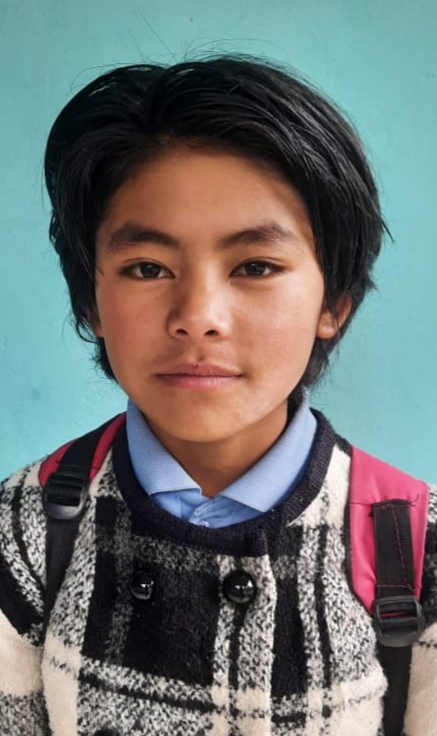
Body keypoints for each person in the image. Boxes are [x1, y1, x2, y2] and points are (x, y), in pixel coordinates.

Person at [0, 56, 435, 736]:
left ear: (335, 302)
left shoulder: (416, 544)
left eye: (255, 266)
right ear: (90, 300)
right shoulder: (21, 533)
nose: (197, 316)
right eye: (147, 268)